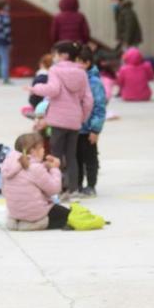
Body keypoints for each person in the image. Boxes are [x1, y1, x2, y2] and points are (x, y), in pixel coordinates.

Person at [28, 41, 93, 199]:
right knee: (71, 155)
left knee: (55, 155)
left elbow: (53, 90)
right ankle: (73, 189)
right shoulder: (82, 72)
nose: (54, 57)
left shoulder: (55, 70)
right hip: (74, 120)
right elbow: (88, 99)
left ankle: (57, 189)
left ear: (63, 55)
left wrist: (34, 88)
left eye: (56, 54)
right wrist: (82, 116)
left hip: (57, 120)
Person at [1, 132, 69, 231]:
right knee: (68, 214)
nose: (44, 150)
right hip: (34, 214)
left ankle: (20, 222)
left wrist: (45, 167)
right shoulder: (35, 168)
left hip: (15, 212)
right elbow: (54, 189)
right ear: (33, 151)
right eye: (41, 148)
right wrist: (55, 168)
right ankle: (33, 223)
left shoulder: (8, 164)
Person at [76, 50, 107, 197]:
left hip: (88, 129)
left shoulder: (94, 83)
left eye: (79, 62)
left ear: (87, 63)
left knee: (90, 158)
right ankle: (77, 185)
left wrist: (95, 129)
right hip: (74, 127)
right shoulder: (74, 79)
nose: (75, 65)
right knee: (76, 158)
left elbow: (99, 108)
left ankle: (91, 185)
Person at [23, 53, 54, 118]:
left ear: (42, 64)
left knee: (25, 110)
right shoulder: (54, 76)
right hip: (49, 104)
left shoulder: (40, 77)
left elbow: (34, 97)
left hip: (40, 105)